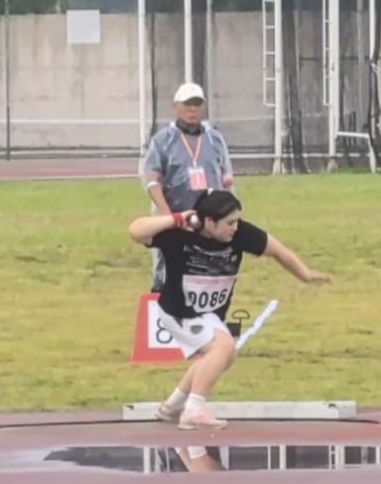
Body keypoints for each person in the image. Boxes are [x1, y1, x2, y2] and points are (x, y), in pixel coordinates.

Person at [128, 189, 331, 430]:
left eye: (236, 221)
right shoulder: (179, 235)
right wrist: (178, 218)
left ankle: (172, 406)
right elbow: (136, 231)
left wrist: (305, 274)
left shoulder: (239, 234)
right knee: (222, 347)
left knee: (224, 355)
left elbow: (278, 250)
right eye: (229, 223)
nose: (235, 228)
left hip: (207, 315)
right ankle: (193, 410)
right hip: (178, 313)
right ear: (209, 222)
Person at [142, 82, 234, 290]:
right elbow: (152, 180)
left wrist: (225, 214)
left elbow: (226, 178)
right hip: (177, 217)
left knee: (208, 268)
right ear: (175, 106)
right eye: (187, 104)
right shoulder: (163, 140)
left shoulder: (214, 139)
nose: (192, 109)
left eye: (197, 104)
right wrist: (168, 217)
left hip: (208, 220)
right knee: (169, 269)